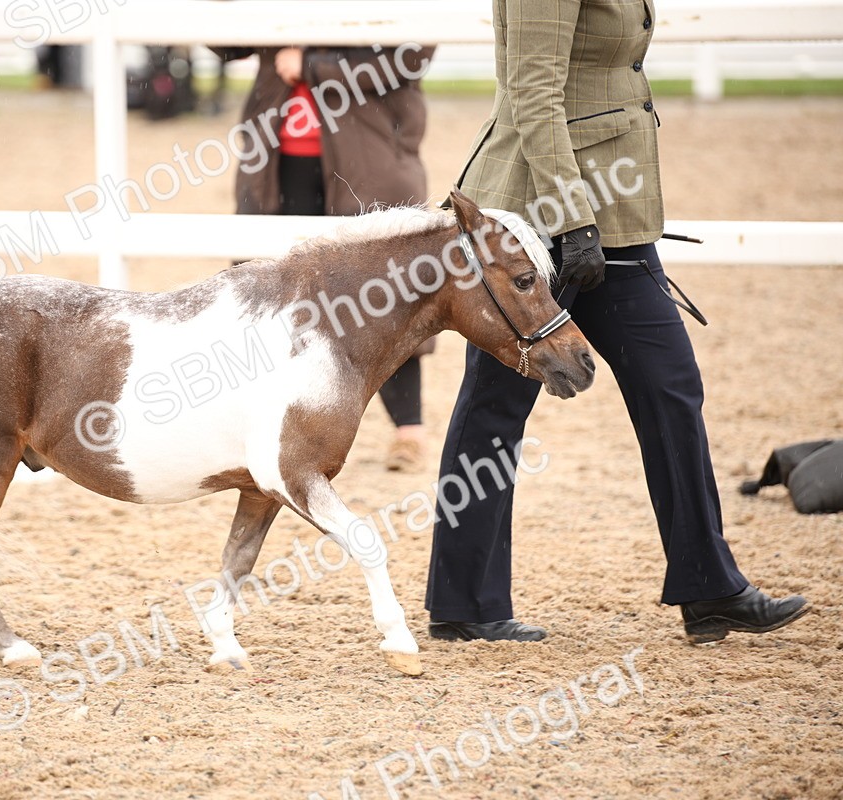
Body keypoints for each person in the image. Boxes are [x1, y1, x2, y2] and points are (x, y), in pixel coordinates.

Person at [425, 0, 807, 643]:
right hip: (542, 215)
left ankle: (709, 586)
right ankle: (466, 605)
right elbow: (532, 92)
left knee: (671, 387)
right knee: (496, 406)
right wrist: (573, 219)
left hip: (614, 218)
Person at [216, 43, 436, 470]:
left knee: (385, 291)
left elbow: (411, 55)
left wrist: (316, 68)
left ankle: (409, 430)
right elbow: (225, 40)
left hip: (367, 161)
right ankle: (258, 426)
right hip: (279, 159)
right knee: (265, 296)